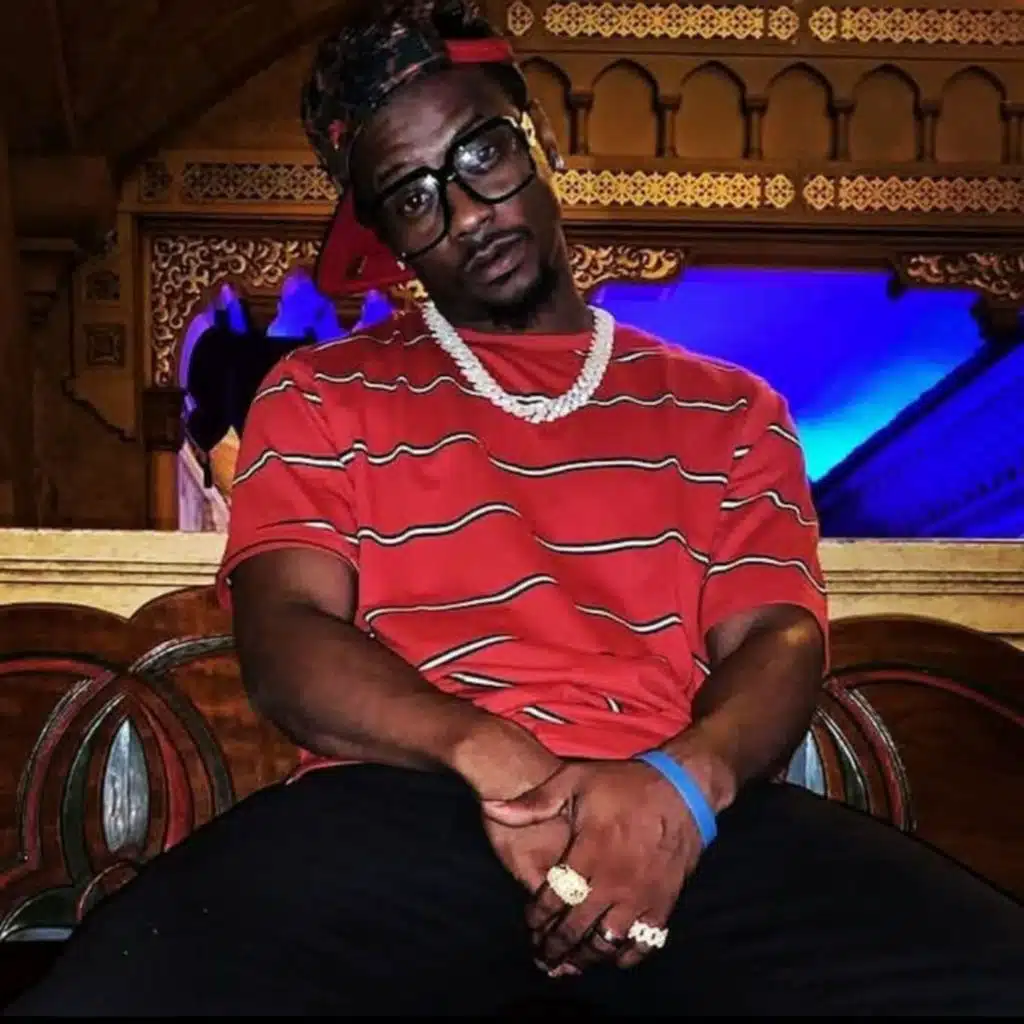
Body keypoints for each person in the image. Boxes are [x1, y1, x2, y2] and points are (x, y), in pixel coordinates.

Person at [8, 1, 1022, 1015]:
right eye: (412, 197)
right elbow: (285, 636)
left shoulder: (729, 409)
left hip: (668, 811)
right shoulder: (321, 394)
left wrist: (680, 790)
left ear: (541, 141)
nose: (464, 213)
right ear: (388, 238)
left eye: (481, 153)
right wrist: (490, 755)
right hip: (406, 803)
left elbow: (776, 636)